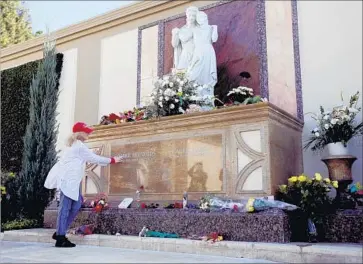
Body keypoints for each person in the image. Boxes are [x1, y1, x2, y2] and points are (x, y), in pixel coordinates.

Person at [44, 122, 122, 248]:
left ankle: (60, 231)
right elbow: (94, 158)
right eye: (86, 131)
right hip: (68, 182)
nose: (88, 133)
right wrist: (112, 160)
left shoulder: (75, 145)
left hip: (73, 182)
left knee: (76, 205)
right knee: (65, 209)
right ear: (80, 133)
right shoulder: (78, 146)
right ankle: (60, 238)